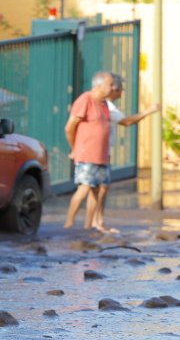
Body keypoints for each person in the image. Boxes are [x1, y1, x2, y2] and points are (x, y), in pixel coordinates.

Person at [83, 73, 161, 233]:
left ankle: (96, 222)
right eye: (120, 89)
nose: (121, 93)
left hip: (101, 152)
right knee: (96, 188)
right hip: (96, 153)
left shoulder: (106, 105)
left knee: (101, 188)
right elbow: (126, 121)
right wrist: (149, 111)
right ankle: (93, 223)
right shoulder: (107, 106)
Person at [64, 71, 114, 230]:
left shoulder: (104, 104)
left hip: (101, 155)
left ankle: (88, 226)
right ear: (99, 85)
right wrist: (75, 148)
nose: (113, 88)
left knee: (97, 190)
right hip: (86, 154)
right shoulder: (85, 100)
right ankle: (69, 224)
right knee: (84, 188)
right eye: (110, 85)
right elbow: (69, 127)